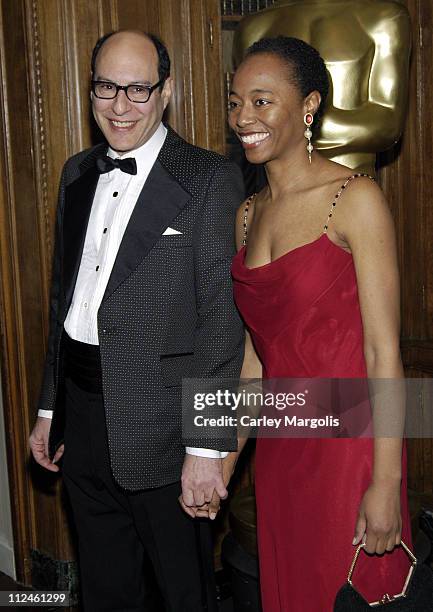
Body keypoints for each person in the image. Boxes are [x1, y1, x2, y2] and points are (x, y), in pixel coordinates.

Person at [29, 29, 244, 612]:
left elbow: (222, 328)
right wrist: (51, 407)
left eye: (138, 90)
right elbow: (63, 300)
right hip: (83, 418)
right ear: (91, 88)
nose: (119, 106)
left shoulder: (207, 179)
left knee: (183, 596)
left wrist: (206, 447)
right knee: (106, 591)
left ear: (166, 91)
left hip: (167, 433)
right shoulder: (77, 173)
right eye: (106, 87)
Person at [224, 36, 411, 611]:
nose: (243, 118)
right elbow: (255, 363)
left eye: (262, 101)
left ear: (308, 106)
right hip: (282, 450)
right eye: (235, 103)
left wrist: (385, 487)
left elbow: (384, 355)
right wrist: (222, 461)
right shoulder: (247, 215)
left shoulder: (355, 199)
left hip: (349, 449)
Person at [233, 0, 411, 174]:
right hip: (274, 188)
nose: (243, 119)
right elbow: (247, 110)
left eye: (261, 102)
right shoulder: (254, 26)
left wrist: (293, 124)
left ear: (312, 103)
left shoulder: (384, 17)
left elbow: (388, 123)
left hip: (349, 184)